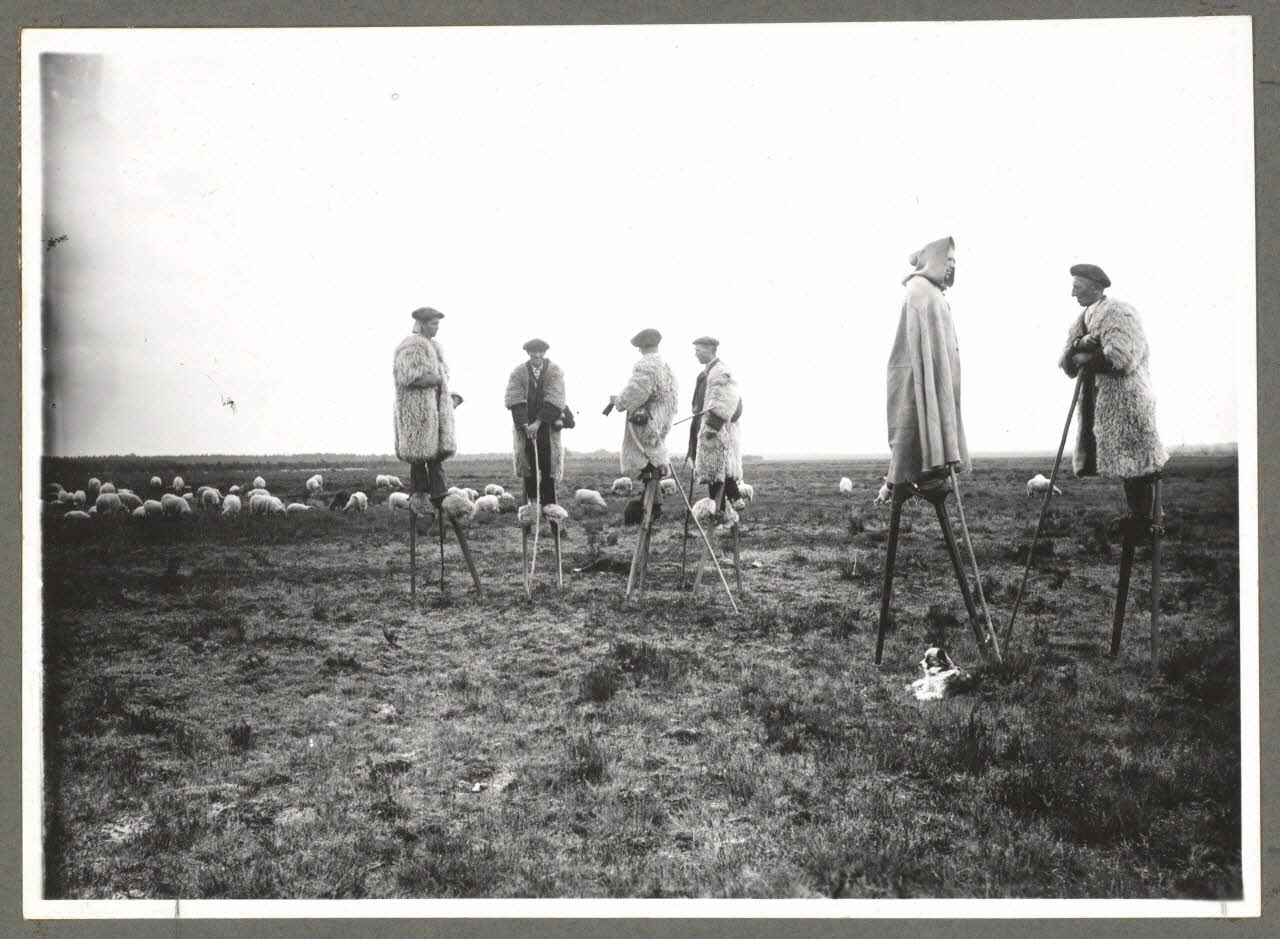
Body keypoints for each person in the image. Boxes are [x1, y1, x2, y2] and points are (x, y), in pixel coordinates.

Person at [1059, 263, 1167, 521]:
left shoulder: (1118, 312)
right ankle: (1138, 518)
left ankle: (1146, 520)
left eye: (1078, 287)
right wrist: (1077, 345)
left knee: (1135, 462)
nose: (1073, 294)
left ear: (1096, 287)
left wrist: (1085, 357)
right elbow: (1068, 364)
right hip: (1101, 403)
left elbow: (1120, 358)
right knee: (1124, 462)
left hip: (1126, 400)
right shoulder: (1082, 319)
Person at [885, 235, 968, 495]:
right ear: (933, 260)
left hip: (939, 376)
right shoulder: (919, 291)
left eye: (955, 261)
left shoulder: (935, 294)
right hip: (917, 376)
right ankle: (921, 467)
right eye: (948, 260)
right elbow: (914, 345)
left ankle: (938, 462)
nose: (952, 266)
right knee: (915, 417)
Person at [393, 306, 460, 512]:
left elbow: (442, 378)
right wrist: (436, 379)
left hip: (435, 411)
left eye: (438, 324)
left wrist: (447, 398)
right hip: (419, 412)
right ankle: (420, 496)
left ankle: (439, 494)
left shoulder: (434, 347)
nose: (437, 328)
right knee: (420, 455)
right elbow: (408, 375)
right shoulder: (412, 345)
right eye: (433, 324)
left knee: (436, 455)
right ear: (421, 324)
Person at [504, 338, 566, 507]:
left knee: (548, 469)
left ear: (545, 353)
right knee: (528, 468)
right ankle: (532, 509)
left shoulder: (555, 371)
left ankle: (550, 511)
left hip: (547, 428)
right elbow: (514, 399)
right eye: (533, 351)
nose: (537, 355)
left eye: (540, 351)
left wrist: (538, 423)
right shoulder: (518, 373)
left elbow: (556, 399)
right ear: (528, 353)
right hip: (525, 430)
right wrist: (525, 425)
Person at [609, 328, 678, 481]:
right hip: (660, 421)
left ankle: (651, 503)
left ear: (641, 347)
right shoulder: (666, 367)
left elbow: (637, 390)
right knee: (654, 458)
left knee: (646, 461)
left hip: (646, 423)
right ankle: (654, 502)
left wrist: (619, 402)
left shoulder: (647, 365)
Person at [685, 336, 744, 510]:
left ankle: (731, 499)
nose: (696, 354)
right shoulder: (705, 373)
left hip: (715, 429)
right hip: (702, 425)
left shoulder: (721, 372)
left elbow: (727, 401)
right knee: (711, 470)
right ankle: (721, 510)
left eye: (698, 350)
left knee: (718, 467)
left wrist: (713, 425)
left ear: (710, 349)